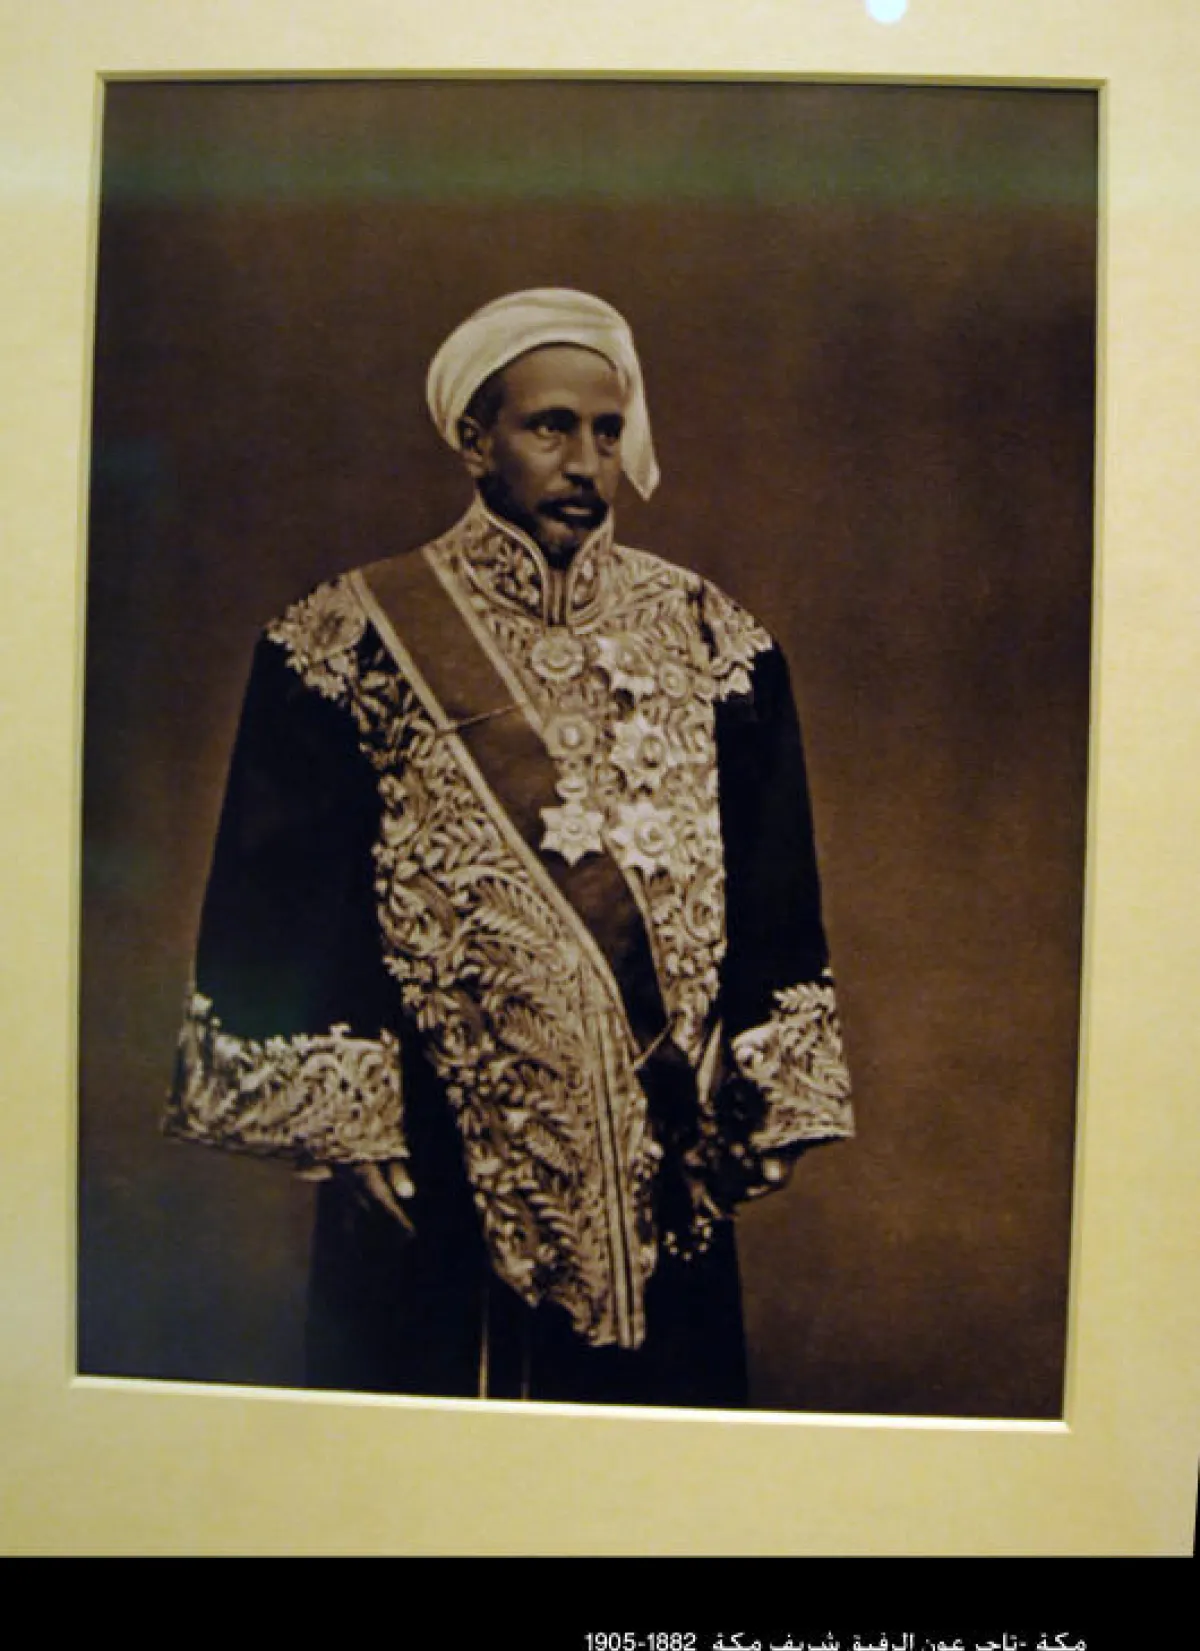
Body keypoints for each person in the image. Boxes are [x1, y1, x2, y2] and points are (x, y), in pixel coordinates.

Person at [165, 287, 854, 1408]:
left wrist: (770, 1105)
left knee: (645, 1457)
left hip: (660, 1146)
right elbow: (287, 892)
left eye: (608, 431)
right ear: (474, 439)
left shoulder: (716, 639)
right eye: (550, 427)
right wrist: (348, 1120)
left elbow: (775, 888)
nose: (586, 461)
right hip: (439, 1145)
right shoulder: (348, 638)